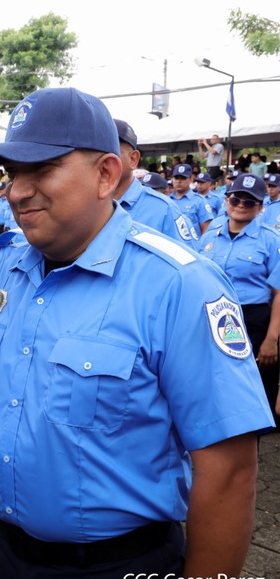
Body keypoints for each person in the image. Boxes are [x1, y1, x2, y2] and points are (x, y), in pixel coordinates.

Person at [0, 86, 274, 579]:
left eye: (41, 169)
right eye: (11, 174)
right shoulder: (2, 266)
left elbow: (229, 471)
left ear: (106, 174)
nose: (18, 192)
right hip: (4, 556)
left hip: (118, 575)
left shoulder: (178, 285)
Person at [199, 174, 280, 422]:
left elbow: (279, 292)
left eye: (249, 202)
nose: (241, 205)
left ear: (259, 207)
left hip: (253, 320)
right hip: (212, 317)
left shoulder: (270, 240)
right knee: (216, 384)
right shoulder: (209, 237)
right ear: (226, 200)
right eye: (236, 199)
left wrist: (271, 339)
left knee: (251, 391)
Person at [112, 120, 198, 248]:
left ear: (133, 159)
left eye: (111, 152)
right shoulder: (88, 205)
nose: (100, 159)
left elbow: (187, 263)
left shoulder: (163, 210)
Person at [171, 162, 213, 236]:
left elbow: (206, 229)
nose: (178, 181)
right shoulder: (167, 200)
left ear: (191, 179)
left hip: (191, 246)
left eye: (183, 178)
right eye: (176, 178)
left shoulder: (199, 201)